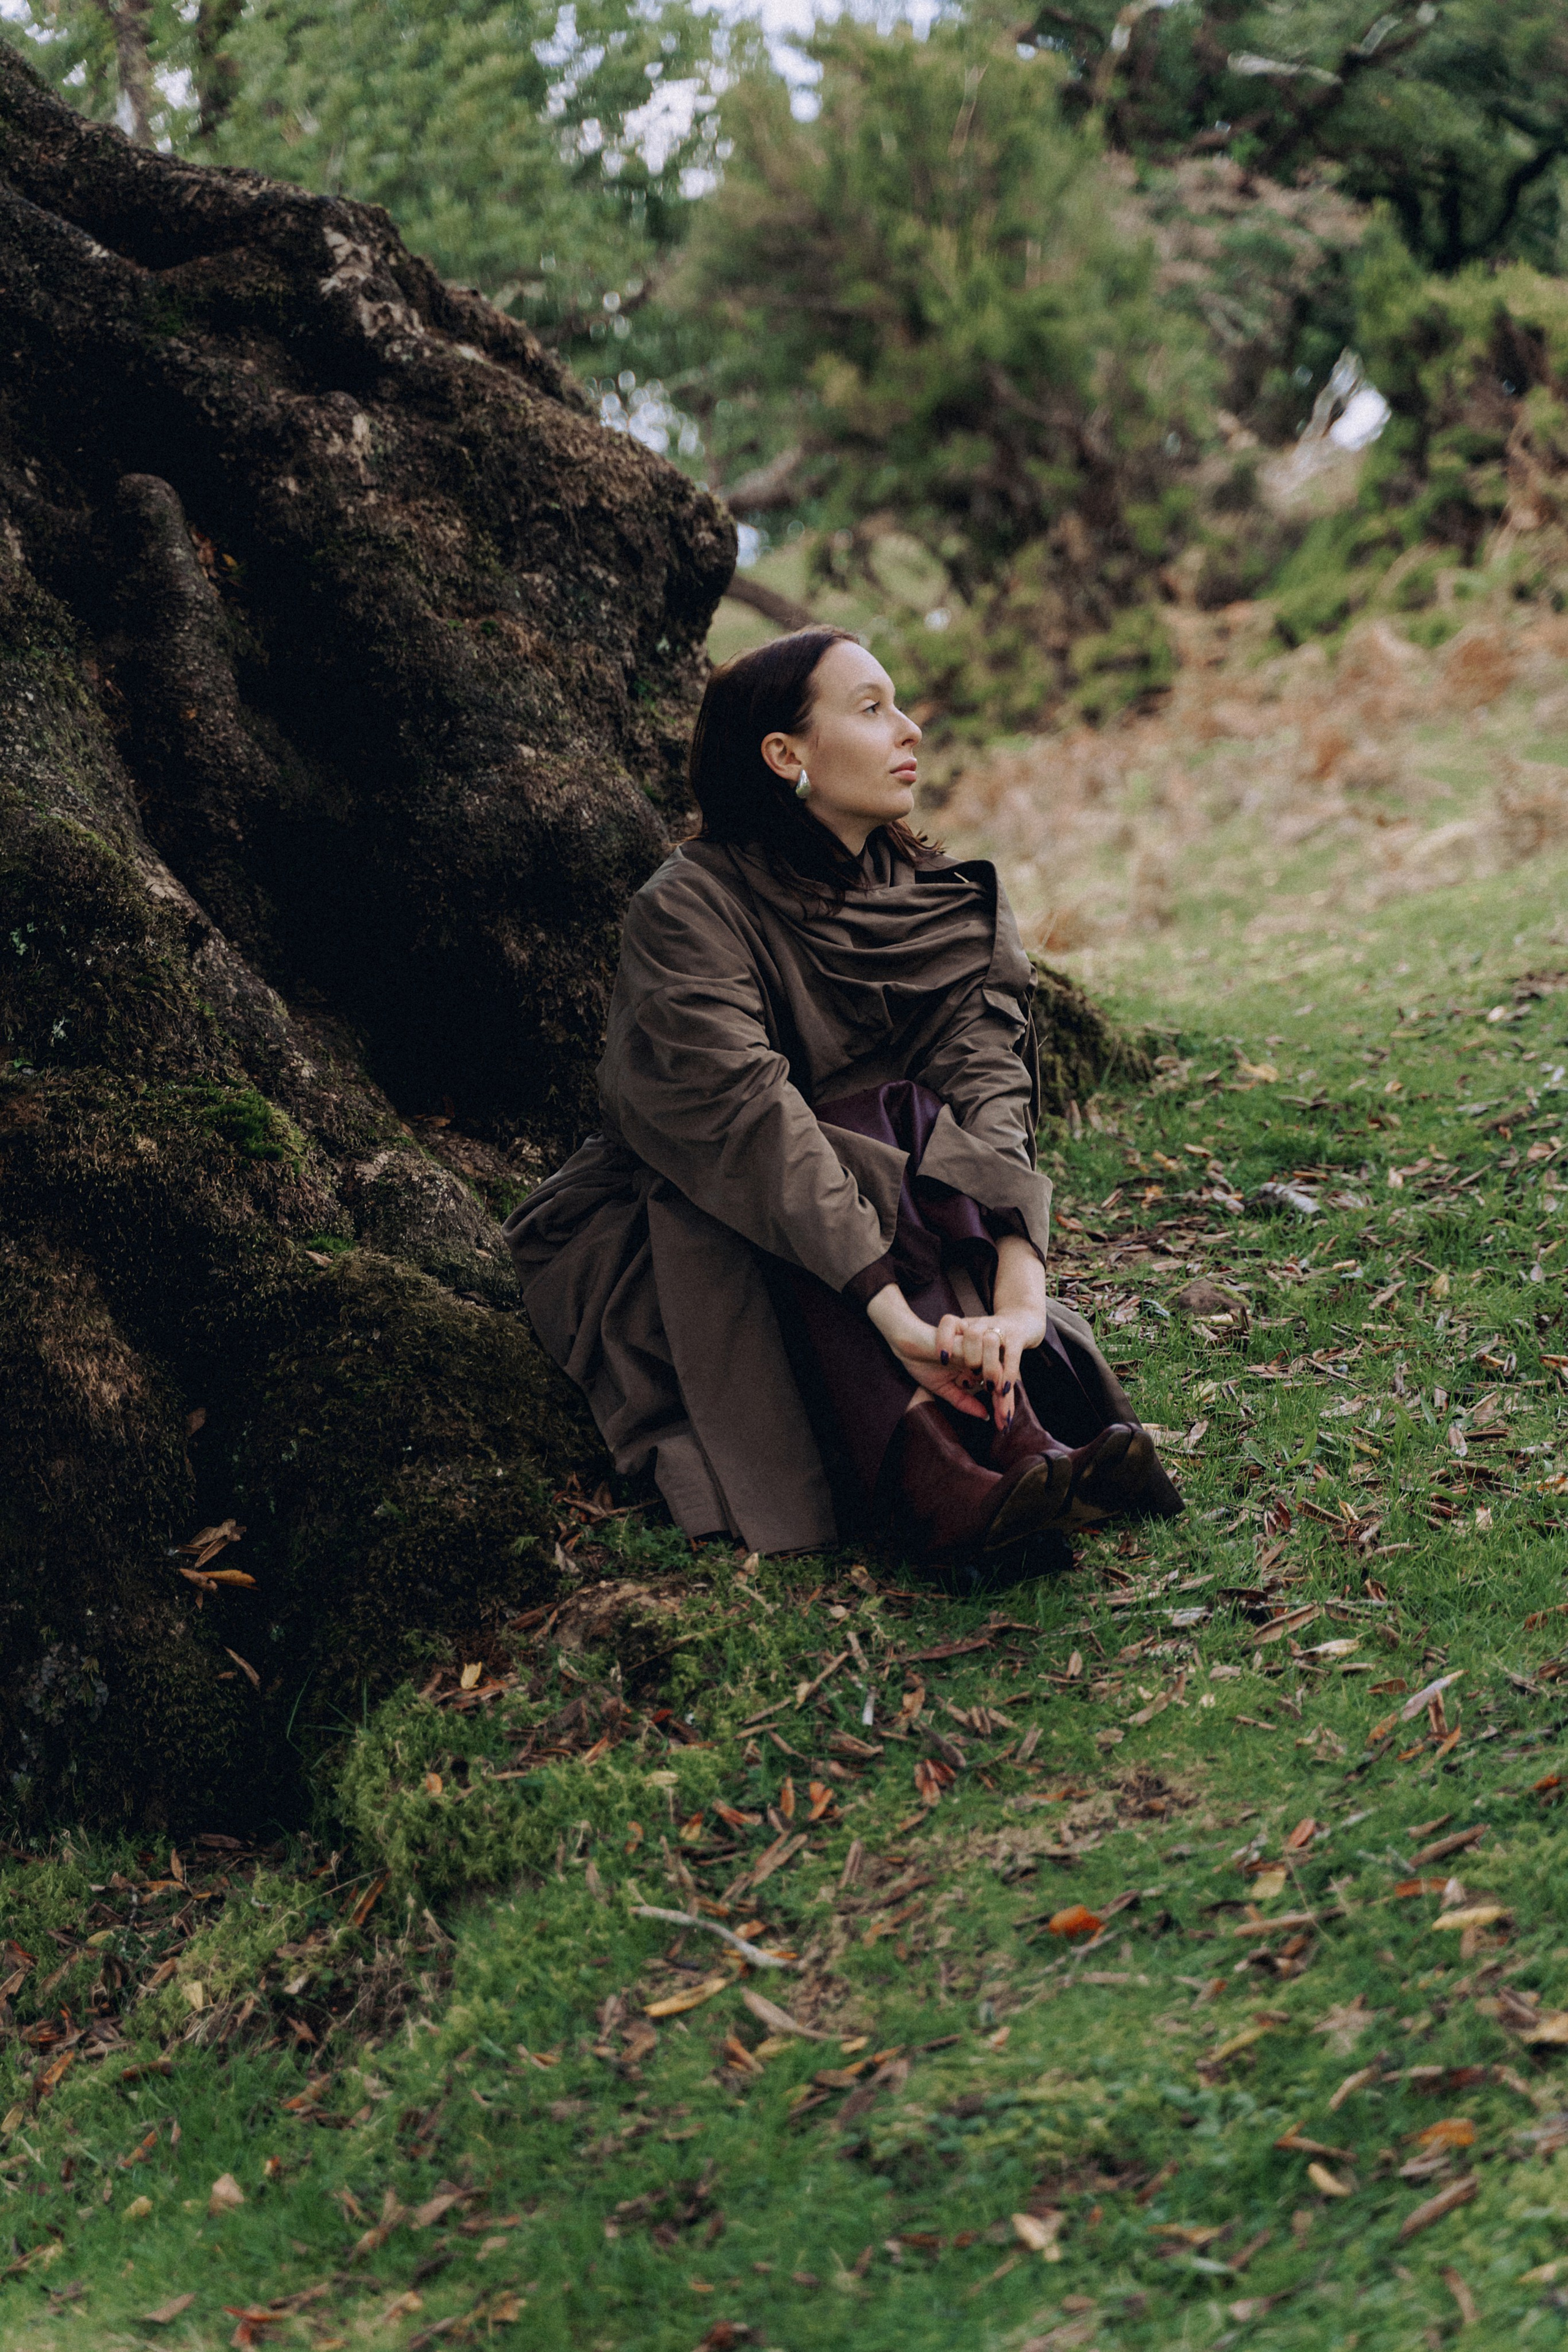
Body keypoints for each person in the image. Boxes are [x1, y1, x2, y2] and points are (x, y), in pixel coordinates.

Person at [505, 627, 1180, 1568]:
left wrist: (1023, 1292)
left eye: (898, 704)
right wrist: (894, 1315)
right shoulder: (687, 907)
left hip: (913, 1205)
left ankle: (1017, 1436)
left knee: (905, 1124)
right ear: (786, 756)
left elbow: (989, 1090)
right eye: (871, 710)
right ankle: (942, 1464)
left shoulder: (938, 901)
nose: (908, 731)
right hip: (713, 1214)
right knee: (862, 1130)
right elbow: (746, 1119)